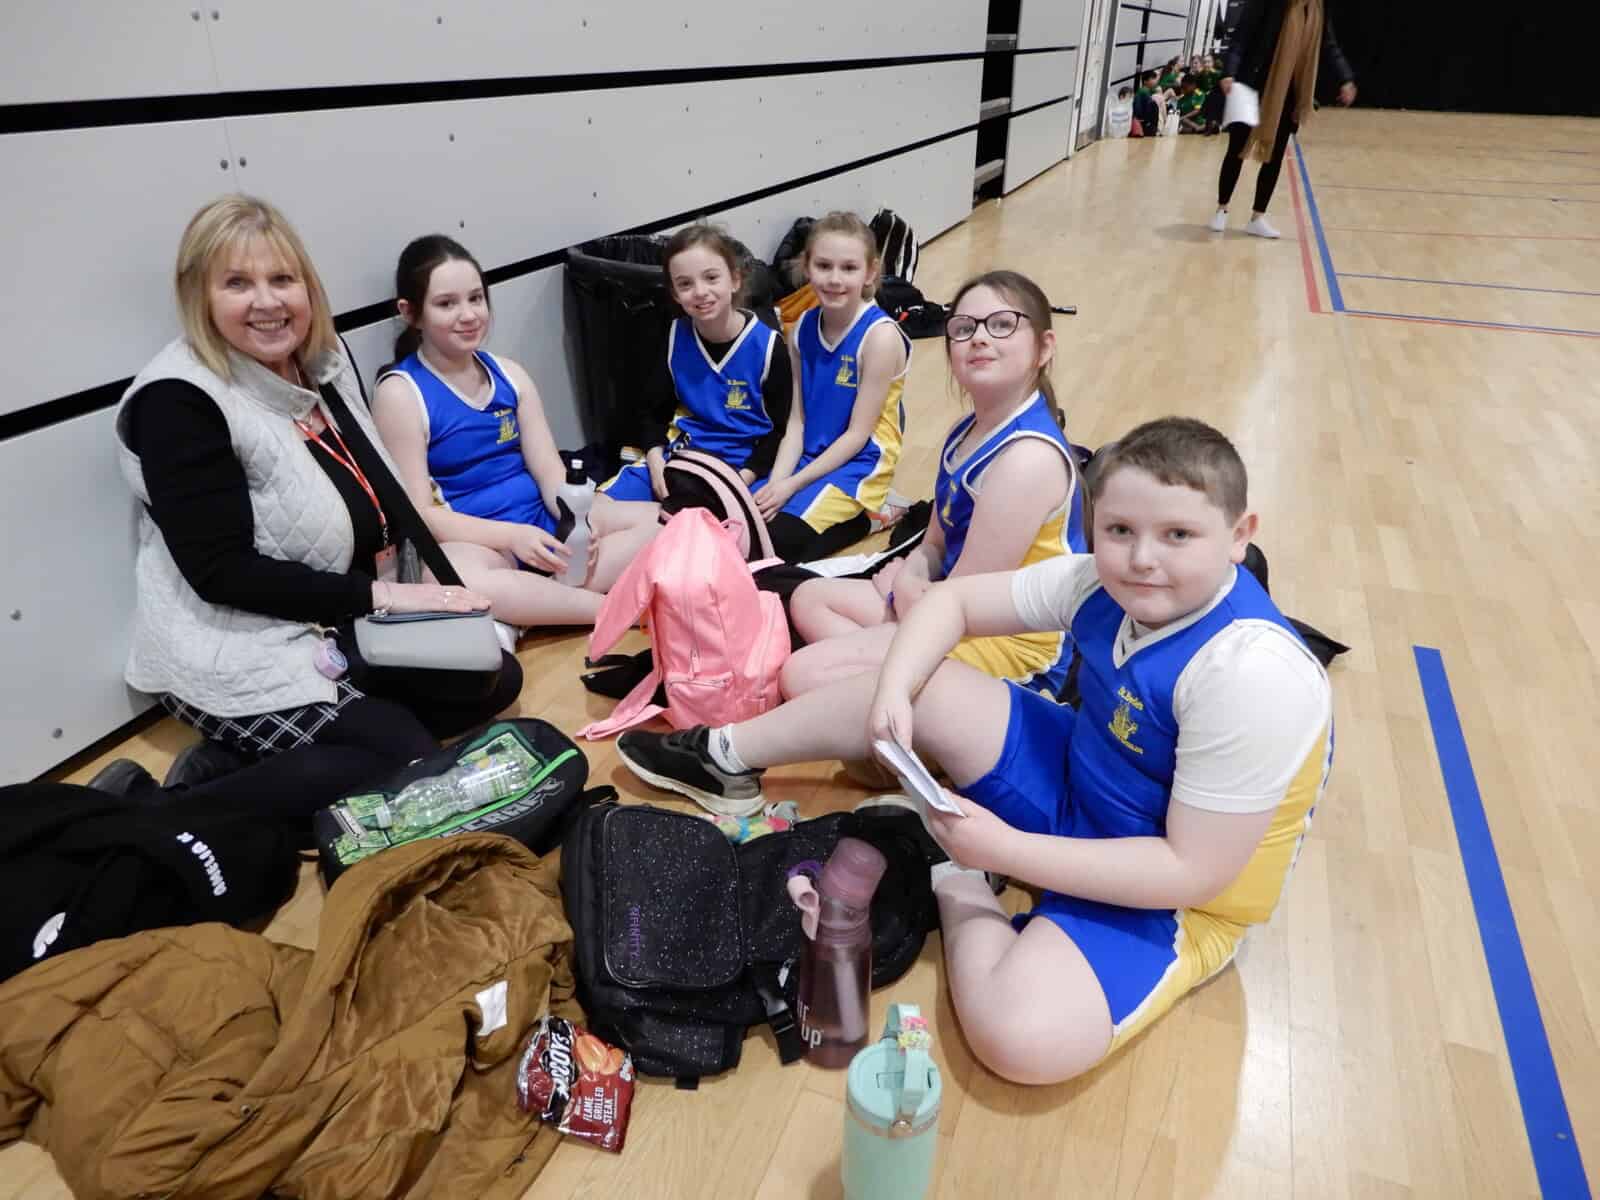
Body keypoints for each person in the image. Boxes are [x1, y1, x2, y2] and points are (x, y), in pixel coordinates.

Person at [613, 417, 1333, 1085]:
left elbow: (1191, 871)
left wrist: (1003, 850)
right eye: (1120, 529)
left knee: (1021, 1039)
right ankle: (724, 752)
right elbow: (951, 604)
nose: (1143, 559)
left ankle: (955, 873)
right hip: (1077, 783)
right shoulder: (1097, 581)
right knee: (923, 684)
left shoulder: (1252, 675)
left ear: (1239, 536)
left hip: (1175, 895)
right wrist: (894, 689)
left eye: (1178, 535)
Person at [98, 196, 522, 825]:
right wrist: (388, 598)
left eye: (282, 279)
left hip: (333, 619)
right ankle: (155, 811)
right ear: (198, 296)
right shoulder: (179, 402)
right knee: (404, 759)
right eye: (238, 284)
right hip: (237, 641)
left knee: (495, 678)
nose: (267, 302)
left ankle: (232, 764)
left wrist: (421, 596)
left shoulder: (320, 359)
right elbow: (221, 574)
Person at [778, 270, 1086, 703]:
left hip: (1010, 645)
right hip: (945, 605)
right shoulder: (965, 431)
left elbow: (963, 604)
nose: (979, 338)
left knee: (804, 674)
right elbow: (933, 546)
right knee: (810, 598)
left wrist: (901, 588)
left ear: (1044, 347)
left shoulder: (1027, 460)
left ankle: (919, 705)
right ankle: (897, 692)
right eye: (963, 328)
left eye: (1002, 324)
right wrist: (909, 578)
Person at [372, 234, 603, 626]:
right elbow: (421, 516)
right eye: (447, 304)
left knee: (654, 520)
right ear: (411, 313)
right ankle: (608, 609)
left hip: (544, 529)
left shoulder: (510, 374)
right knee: (452, 578)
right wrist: (512, 537)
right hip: (482, 548)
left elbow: (550, 472)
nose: (468, 315)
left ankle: (546, 603)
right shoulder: (400, 393)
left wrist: (578, 522)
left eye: (476, 298)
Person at [585, 223, 793, 591]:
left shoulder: (769, 347)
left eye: (711, 277)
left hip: (737, 470)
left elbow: (780, 431)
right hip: (678, 459)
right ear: (674, 293)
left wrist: (742, 478)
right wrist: (655, 461)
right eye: (685, 284)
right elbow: (651, 411)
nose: (700, 292)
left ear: (735, 279)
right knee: (590, 518)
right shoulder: (672, 335)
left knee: (659, 540)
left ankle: (603, 591)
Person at [752, 212, 913, 561]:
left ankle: (873, 515)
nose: (835, 279)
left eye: (849, 268)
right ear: (807, 268)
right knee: (745, 520)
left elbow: (857, 435)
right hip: (809, 453)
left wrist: (791, 486)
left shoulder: (880, 337)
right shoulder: (801, 328)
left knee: (776, 543)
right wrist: (777, 484)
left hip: (860, 462)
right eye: (824, 266)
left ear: (870, 272)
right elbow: (796, 422)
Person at [1208, 0, 1357, 238]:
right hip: (1252, 83)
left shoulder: (1318, 8)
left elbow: (1329, 46)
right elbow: (1241, 37)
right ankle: (1221, 208)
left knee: (1275, 156)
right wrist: (1229, 73)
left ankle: (1257, 217)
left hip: (1289, 91)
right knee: (1236, 149)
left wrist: (1345, 78)